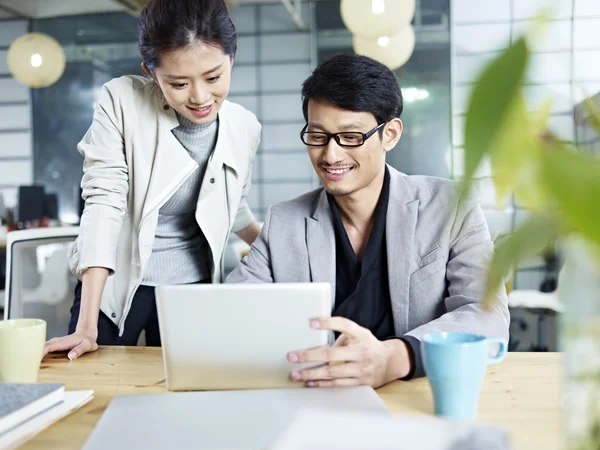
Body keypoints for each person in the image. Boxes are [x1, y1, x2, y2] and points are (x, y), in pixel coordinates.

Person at [226, 53, 510, 388]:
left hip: (418, 394)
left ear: (389, 134)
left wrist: (397, 357)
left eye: (350, 137)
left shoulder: (451, 207)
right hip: (315, 395)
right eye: (318, 136)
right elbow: (235, 311)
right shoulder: (285, 220)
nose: (331, 155)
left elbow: (486, 315)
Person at [44, 0, 262, 360]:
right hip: (113, 284)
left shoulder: (244, 127)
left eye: (214, 77)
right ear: (151, 72)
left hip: (191, 290)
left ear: (231, 59)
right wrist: (86, 324)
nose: (200, 97)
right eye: (178, 83)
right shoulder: (121, 102)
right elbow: (104, 202)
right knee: (97, 390)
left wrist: (281, 249)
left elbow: (234, 208)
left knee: (186, 398)